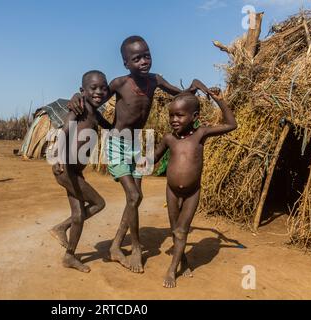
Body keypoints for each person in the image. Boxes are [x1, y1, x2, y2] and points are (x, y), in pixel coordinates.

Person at [67, 35, 208, 273]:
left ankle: (115, 246)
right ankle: (134, 248)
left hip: (139, 143)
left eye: (147, 55)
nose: (143, 61)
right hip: (117, 143)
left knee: (136, 197)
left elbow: (181, 94)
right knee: (133, 196)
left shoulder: (155, 80)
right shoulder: (119, 83)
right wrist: (77, 98)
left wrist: (193, 86)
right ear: (126, 63)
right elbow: (94, 100)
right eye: (137, 58)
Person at [152, 86, 237, 288]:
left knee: (182, 232)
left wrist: (219, 100)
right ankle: (183, 260)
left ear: (194, 116)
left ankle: (172, 270)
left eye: (179, 115)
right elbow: (153, 158)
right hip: (171, 191)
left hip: (192, 192)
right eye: (171, 115)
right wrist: (136, 161)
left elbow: (231, 124)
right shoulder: (169, 139)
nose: (174, 120)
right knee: (175, 230)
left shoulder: (201, 134)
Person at [50, 70, 112, 273]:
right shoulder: (79, 107)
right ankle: (62, 228)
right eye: (93, 88)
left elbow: (110, 126)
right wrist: (59, 155)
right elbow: (65, 129)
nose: (99, 92)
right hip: (66, 169)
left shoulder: (95, 112)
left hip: (75, 173)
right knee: (99, 203)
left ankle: (69, 255)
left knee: (78, 214)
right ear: (82, 91)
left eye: (103, 88)